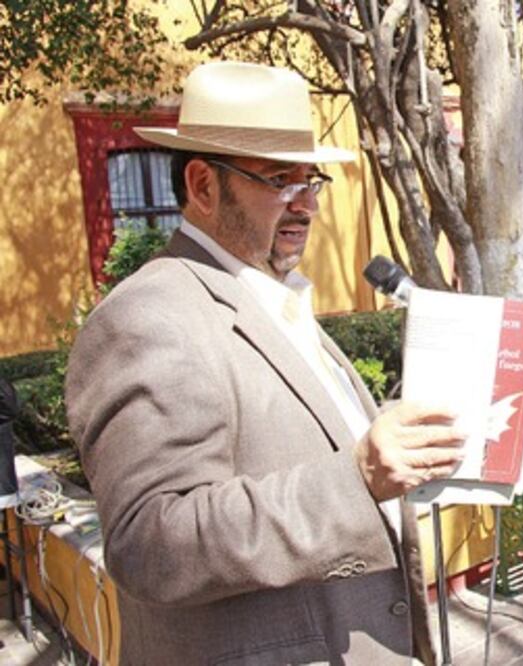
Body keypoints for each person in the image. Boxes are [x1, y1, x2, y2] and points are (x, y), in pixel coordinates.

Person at [65, 62, 466, 665]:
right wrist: (356, 478)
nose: (306, 206)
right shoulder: (148, 317)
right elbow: (152, 541)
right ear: (202, 186)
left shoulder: (268, 296)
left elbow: (302, 443)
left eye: (313, 183)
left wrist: (406, 441)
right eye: (281, 180)